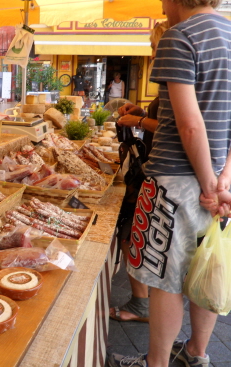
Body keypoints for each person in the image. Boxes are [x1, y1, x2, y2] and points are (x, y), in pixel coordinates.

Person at [108, 1, 231, 367]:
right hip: (219, 184)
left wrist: (210, 185)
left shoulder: (180, 37)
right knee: (205, 267)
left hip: (175, 183)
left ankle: (156, 363)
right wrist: (223, 180)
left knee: (165, 280)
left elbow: (188, 124)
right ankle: (196, 353)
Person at [109, 21, 169, 324]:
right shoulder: (170, 80)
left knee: (133, 234)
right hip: (158, 173)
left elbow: (177, 130)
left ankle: (143, 305)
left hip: (164, 177)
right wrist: (141, 112)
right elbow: (164, 118)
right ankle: (142, 302)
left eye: (155, 47)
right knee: (133, 233)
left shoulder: (178, 75)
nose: (153, 53)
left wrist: (138, 123)